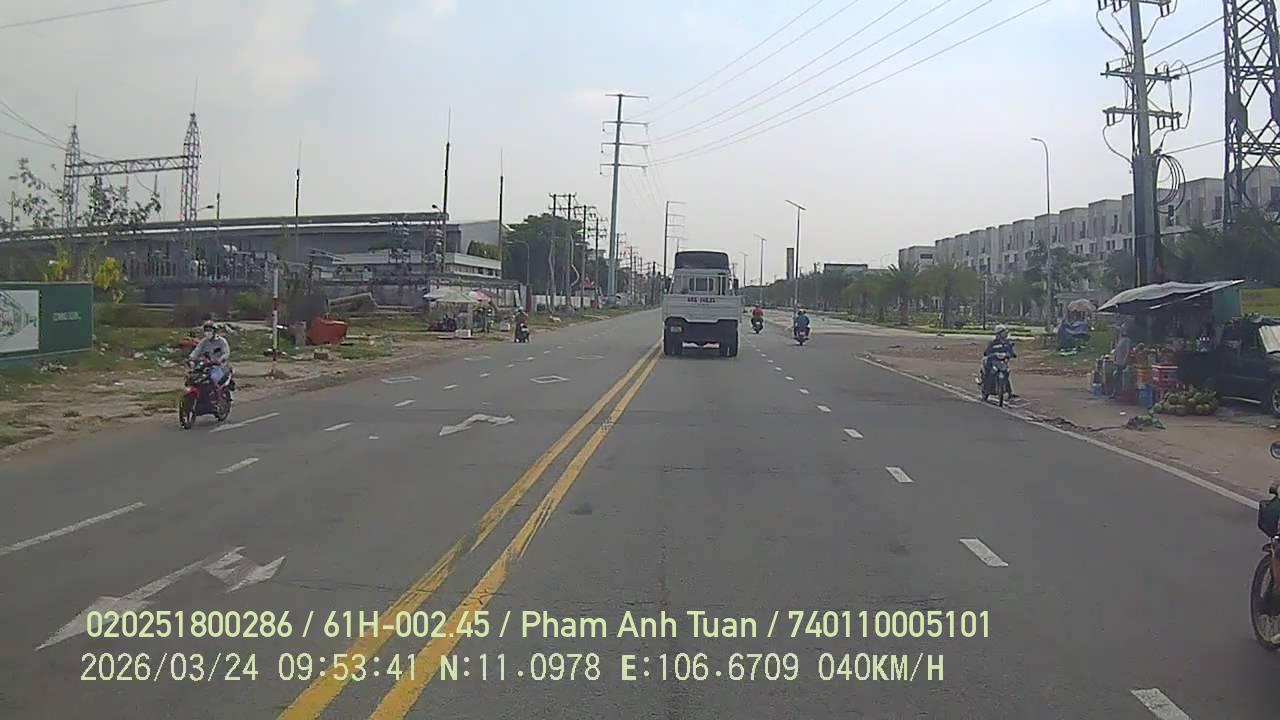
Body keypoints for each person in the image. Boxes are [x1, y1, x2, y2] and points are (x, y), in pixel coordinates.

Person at [189, 321, 232, 397]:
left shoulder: (221, 341)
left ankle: (217, 397)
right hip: (206, 366)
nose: (207, 332)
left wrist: (220, 360)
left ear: (214, 331)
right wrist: (191, 358)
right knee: (196, 378)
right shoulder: (204, 342)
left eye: (209, 330)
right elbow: (196, 351)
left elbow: (226, 353)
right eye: (206, 330)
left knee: (213, 379)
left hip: (219, 367)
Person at [982, 324, 1017, 398]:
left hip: (1002, 361)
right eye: (1003, 332)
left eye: (1005, 332)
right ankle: (986, 390)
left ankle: (1009, 392)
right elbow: (987, 352)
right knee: (990, 373)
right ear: (998, 333)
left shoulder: (1007, 343)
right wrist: (992, 354)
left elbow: (1011, 351)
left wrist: (1011, 354)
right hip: (993, 361)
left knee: (1006, 373)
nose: (1005, 334)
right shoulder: (993, 342)